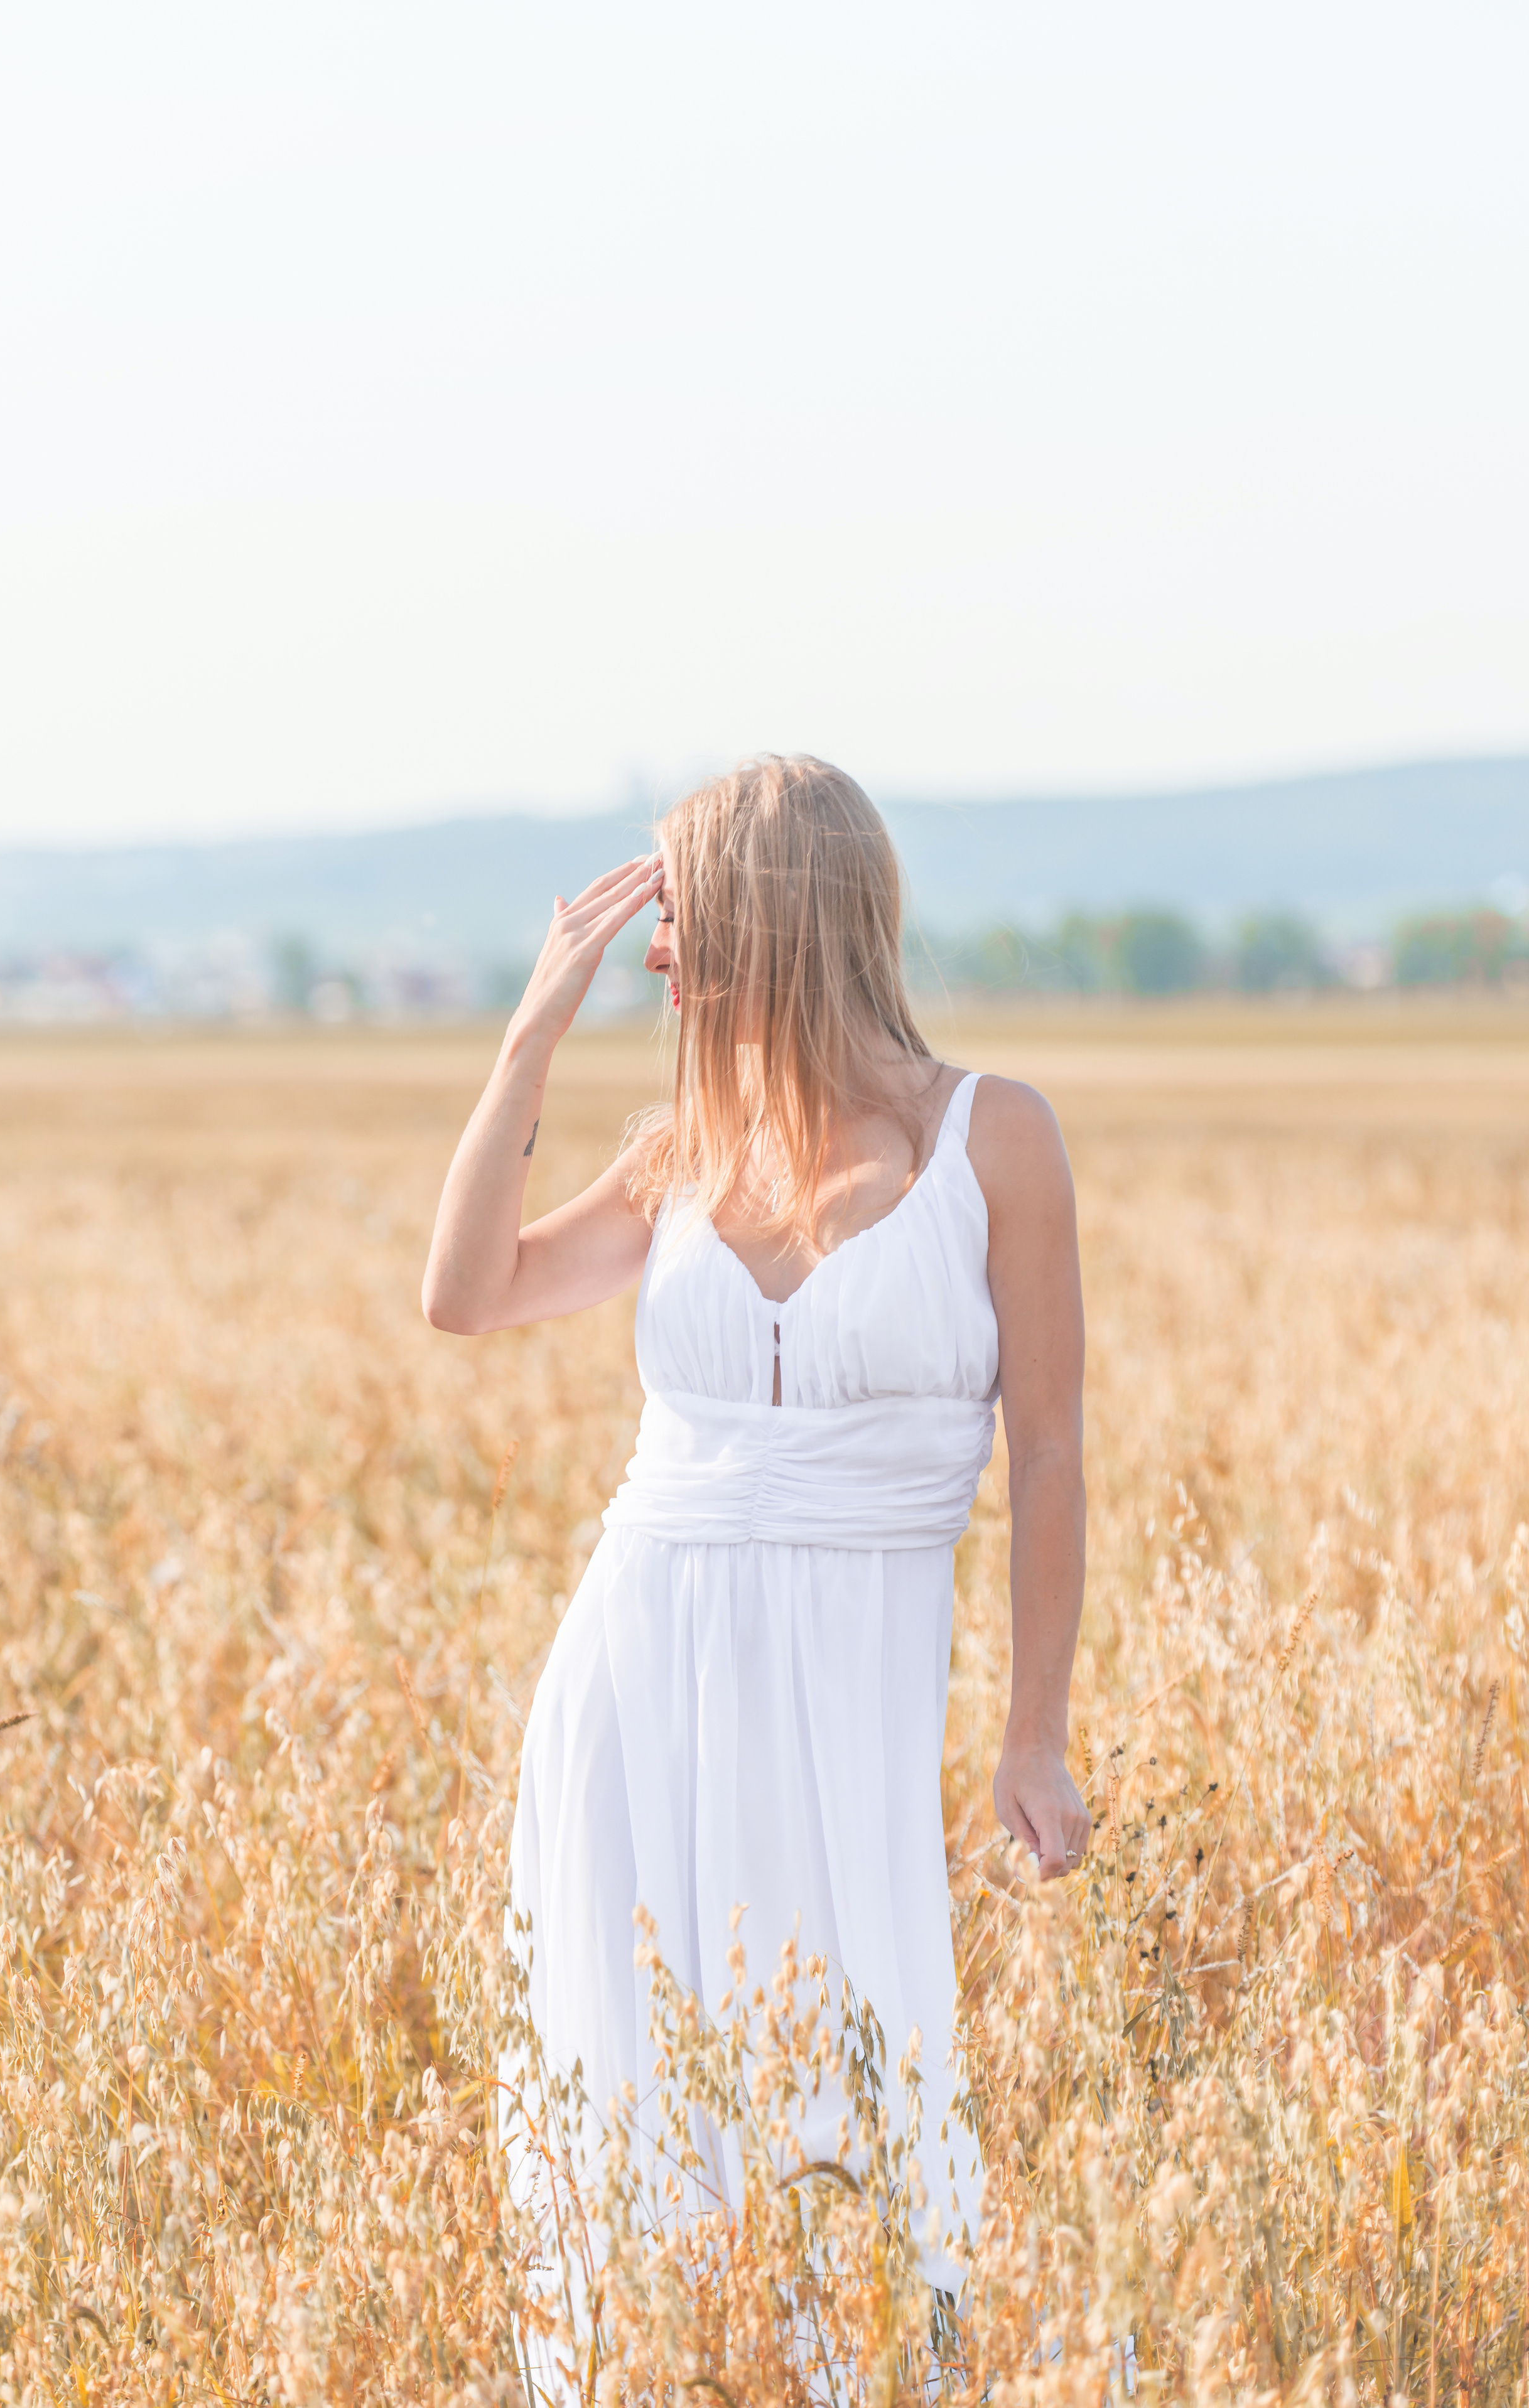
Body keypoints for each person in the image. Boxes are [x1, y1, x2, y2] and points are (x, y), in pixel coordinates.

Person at [421, 755, 1088, 2287]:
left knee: (857, 2093)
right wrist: (533, 1027)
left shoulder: (996, 1140)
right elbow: (464, 1295)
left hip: (849, 1696)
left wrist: (1030, 1729)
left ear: (772, 919)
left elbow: (1046, 1451)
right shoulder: (676, 1153)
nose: (652, 951)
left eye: (679, 914)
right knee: (631, 2097)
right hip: (631, 1683)